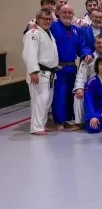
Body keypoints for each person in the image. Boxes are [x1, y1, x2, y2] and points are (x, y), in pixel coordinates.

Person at [51, 4, 93, 130]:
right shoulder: (53, 26)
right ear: (59, 13)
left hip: (71, 67)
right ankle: (59, 121)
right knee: (59, 95)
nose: (67, 15)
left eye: (70, 12)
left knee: (70, 94)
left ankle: (67, 119)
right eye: (64, 12)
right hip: (58, 68)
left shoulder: (76, 29)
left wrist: (87, 53)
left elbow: (82, 45)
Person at [22, 8, 59, 136]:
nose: (48, 21)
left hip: (49, 73)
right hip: (39, 72)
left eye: (50, 19)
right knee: (39, 100)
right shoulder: (33, 33)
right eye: (45, 19)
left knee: (46, 101)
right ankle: (36, 127)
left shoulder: (48, 33)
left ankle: (42, 125)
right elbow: (29, 54)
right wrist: (33, 71)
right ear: (38, 19)